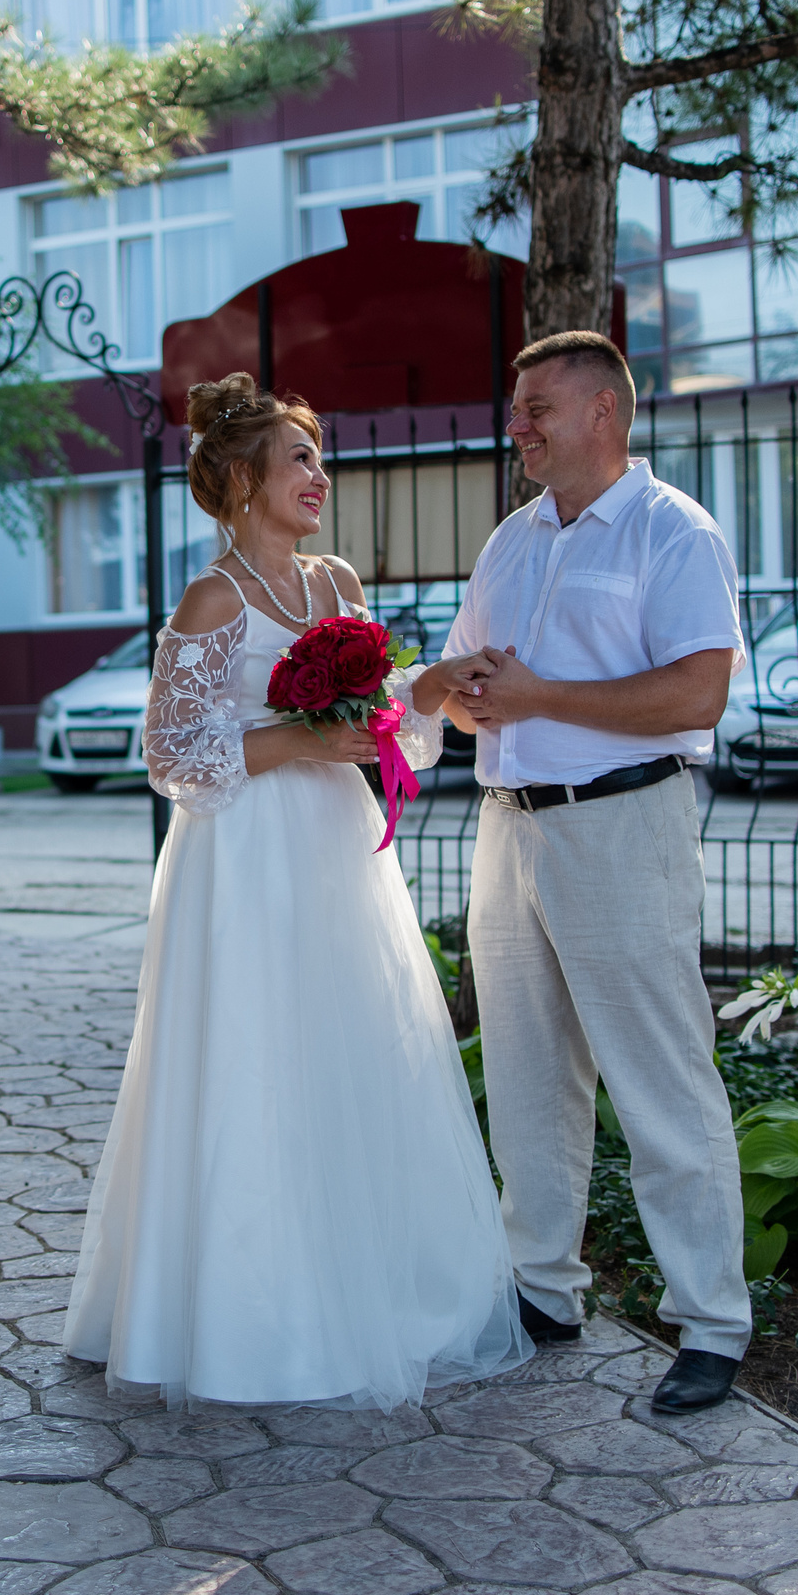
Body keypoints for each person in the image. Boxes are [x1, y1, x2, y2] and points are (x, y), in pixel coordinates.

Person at [63, 372, 531, 1410]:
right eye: (299, 458)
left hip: (336, 846)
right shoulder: (213, 599)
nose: (320, 475)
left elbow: (378, 719)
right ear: (242, 480)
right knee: (251, 1055)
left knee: (348, 1047)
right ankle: (247, 1319)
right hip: (241, 859)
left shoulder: (336, 583)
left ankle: (373, 1288)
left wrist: (429, 687)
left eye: (320, 457)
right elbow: (170, 754)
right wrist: (295, 741)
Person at [436, 330, 754, 1415]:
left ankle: (711, 1322)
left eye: (536, 406)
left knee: (661, 1077)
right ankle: (543, 1290)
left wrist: (539, 695)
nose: (516, 424)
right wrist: (466, 690)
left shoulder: (674, 530)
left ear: (603, 411)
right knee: (527, 1076)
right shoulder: (511, 539)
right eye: (516, 407)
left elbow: (697, 694)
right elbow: (464, 686)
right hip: (508, 827)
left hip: (622, 824)